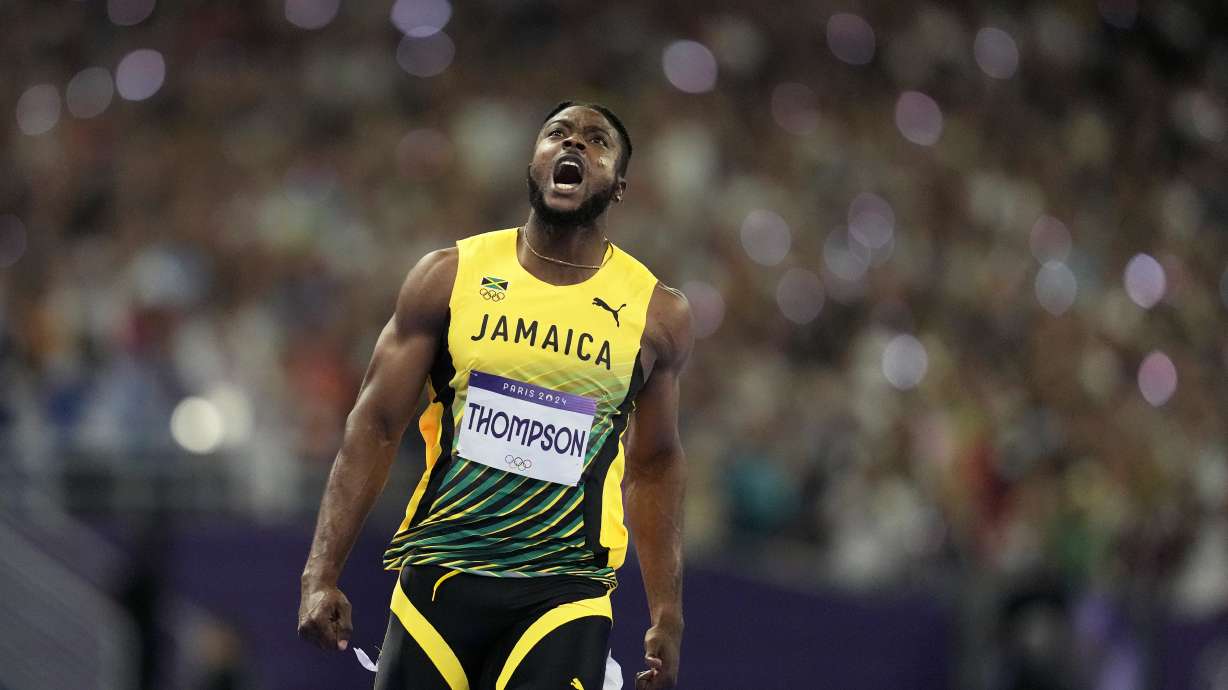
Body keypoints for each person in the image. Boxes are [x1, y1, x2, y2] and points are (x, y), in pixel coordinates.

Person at [297, 101, 691, 690]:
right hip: (441, 576)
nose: (575, 145)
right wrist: (320, 573)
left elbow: (655, 464)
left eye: (597, 141)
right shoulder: (448, 276)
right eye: (558, 134)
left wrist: (667, 614)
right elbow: (376, 424)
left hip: (565, 592)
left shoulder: (656, 313)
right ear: (533, 162)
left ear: (619, 187)